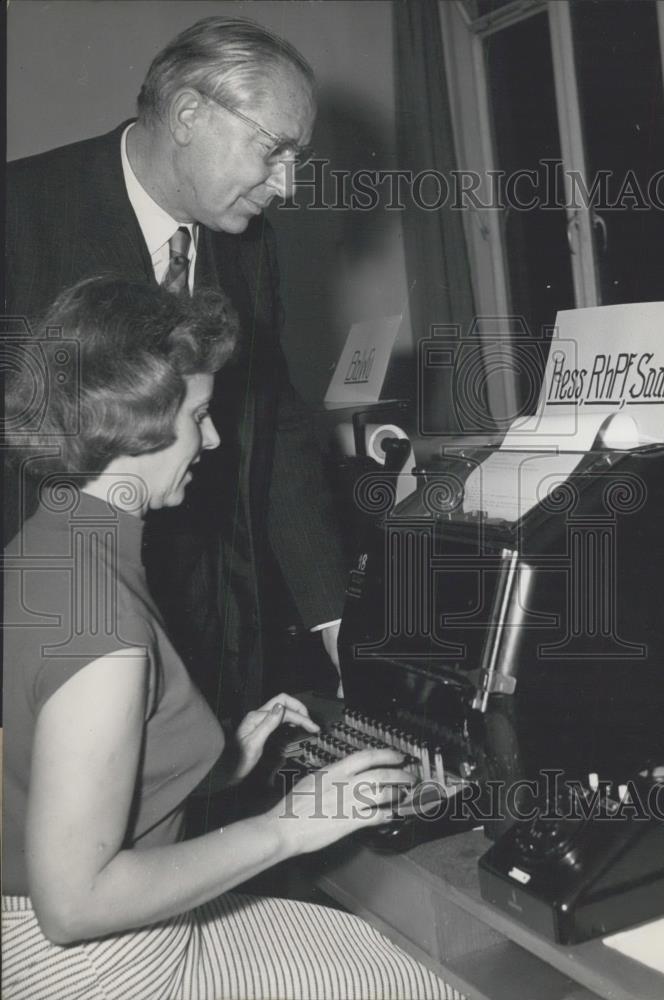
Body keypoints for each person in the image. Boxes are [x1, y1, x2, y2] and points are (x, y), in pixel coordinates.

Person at [2, 278, 461, 1000]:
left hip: (28, 930)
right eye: (199, 415)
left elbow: (50, 772)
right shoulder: (107, 633)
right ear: (138, 422)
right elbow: (76, 906)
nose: (212, 440)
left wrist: (221, 759)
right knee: (434, 980)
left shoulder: (52, 546)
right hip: (99, 969)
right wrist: (292, 825)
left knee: (364, 943)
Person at [5, 16, 346, 718]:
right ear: (190, 113)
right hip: (56, 626)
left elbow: (271, 426)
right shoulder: (20, 213)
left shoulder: (252, 249)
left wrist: (335, 617)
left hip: (211, 629)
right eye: (274, 149)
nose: (287, 184)